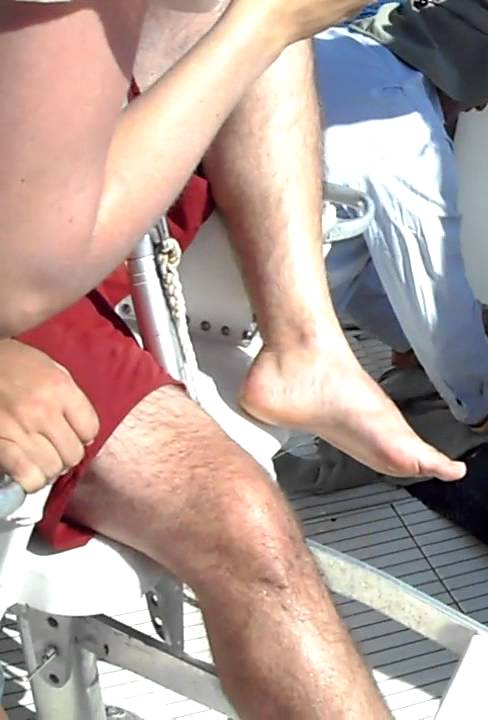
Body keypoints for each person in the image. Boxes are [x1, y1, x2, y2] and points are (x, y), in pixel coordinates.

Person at [0, 0, 462, 715]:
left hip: (47, 218)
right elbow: (21, 280)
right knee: (243, 525)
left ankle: (307, 349)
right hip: (22, 274)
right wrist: (269, 24)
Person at [314, 0, 488, 436]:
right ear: (470, 66)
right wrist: (477, 403)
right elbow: (433, 288)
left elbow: (346, 252)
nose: (483, 106)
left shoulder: (325, 46)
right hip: (230, 333)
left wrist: (407, 340)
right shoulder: (408, 138)